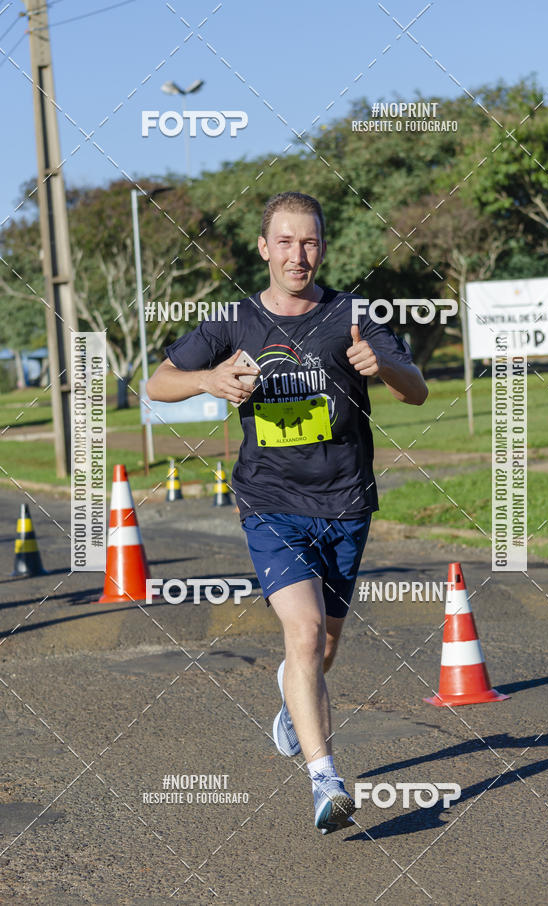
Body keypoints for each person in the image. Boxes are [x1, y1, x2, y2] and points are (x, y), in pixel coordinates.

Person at [147, 191, 428, 834]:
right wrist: (208, 380)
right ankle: (324, 778)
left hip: (347, 503)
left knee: (323, 648)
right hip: (271, 502)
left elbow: (416, 391)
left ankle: (290, 695)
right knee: (301, 634)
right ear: (263, 247)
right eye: (284, 241)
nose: (297, 254)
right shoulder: (232, 322)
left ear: (321, 247)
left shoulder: (353, 314)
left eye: (309, 242)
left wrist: (382, 364)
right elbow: (157, 382)